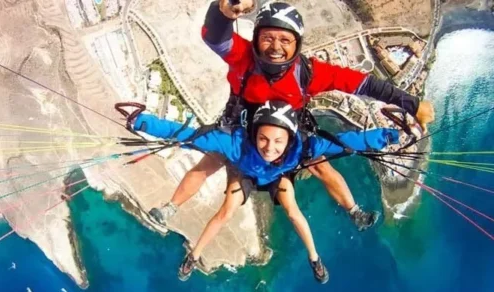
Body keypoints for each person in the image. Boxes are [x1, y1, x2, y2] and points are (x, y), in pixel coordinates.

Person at [148, 0, 435, 231]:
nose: (276, 47)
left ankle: (354, 211)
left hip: (282, 125)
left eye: (285, 40)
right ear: (256, 39)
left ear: (297, 44)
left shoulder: (309, 72)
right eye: (268, 38)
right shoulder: (243, 56)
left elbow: (365, 84)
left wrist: (410, 103)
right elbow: (215, 37)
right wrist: (223, 11)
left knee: (320, 166)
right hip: (246, 120)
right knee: (210, 159)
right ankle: (171, 207)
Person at [116, 101, 401, 283]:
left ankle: (315, 259)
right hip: (247, 175)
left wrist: (390, 136)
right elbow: (189, 136)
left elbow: (347, 141)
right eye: (263, 139)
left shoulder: (302, 146)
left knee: (293, 211)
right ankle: (193, 256)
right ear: (253, 135)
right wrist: (144, 123)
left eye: (278, 141)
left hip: (275, 176)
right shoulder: (236, 144)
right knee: (226, 212)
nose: (269, 146)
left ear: (289, 138)